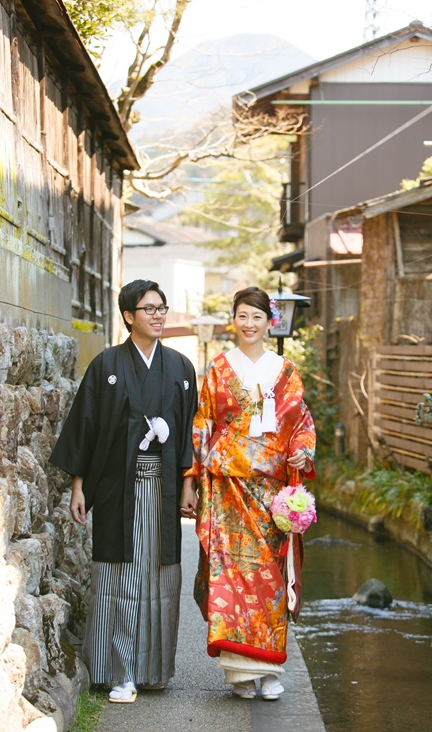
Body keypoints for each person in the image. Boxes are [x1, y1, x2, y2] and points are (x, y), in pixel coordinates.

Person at [50, 279, 198, 703]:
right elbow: (88, 428)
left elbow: (189, 432)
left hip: (165, 486)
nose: (158, 315)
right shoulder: (107, 365)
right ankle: (120, 671)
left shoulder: (181, 368)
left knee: (160, 575)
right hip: (119, 488)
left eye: (162, 308)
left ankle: (152, 669)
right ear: (129, 316)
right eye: (148, 308)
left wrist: (189, 483)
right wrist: (79, 486)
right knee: (121, 575)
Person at [180, 286, 316, 701]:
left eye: (257, 316)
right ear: (233, 320)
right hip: (227, 485)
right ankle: (240, 673)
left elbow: (301, 422)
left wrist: (300, 452)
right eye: (242, 315)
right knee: (231, 572)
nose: (250, 324)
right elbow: (202, 423)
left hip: (271, 488)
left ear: (269, 321)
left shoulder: (286, 370)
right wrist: (191, 478)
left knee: (270, 577)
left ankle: (271, 668)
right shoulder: (219, 368)